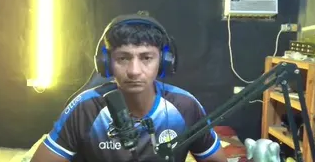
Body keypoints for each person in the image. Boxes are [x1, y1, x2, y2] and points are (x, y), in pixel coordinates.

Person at [31, 14, 225, 162]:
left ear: (164, 62)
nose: (134, 71)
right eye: (123, 58)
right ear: (106, 63)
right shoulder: (86, 107)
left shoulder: (185, 106)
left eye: (146, 58)